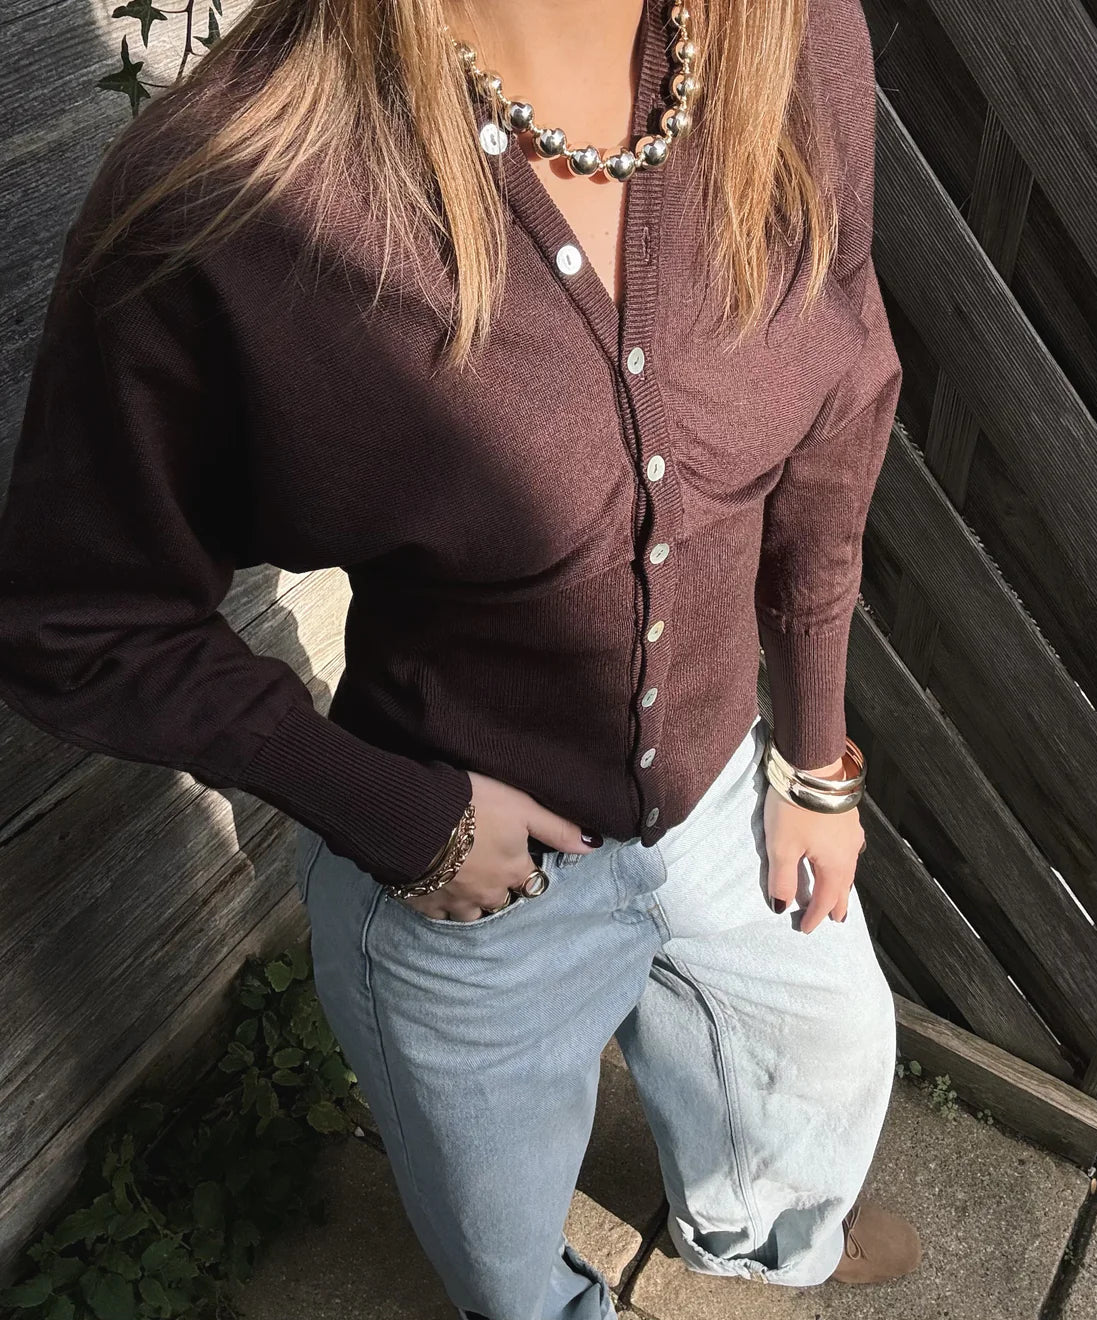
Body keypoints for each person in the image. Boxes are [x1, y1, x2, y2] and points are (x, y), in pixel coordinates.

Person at [0, 0, 921, 1313]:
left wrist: (816, 756)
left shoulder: (792, 35)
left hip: (733, 790)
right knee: (496, 1237)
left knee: (823, 1060)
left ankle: (763, 1241)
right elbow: (80, 616)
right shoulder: (240, 191)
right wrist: (392, 811)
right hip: (467, 878)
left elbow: (844, 396)